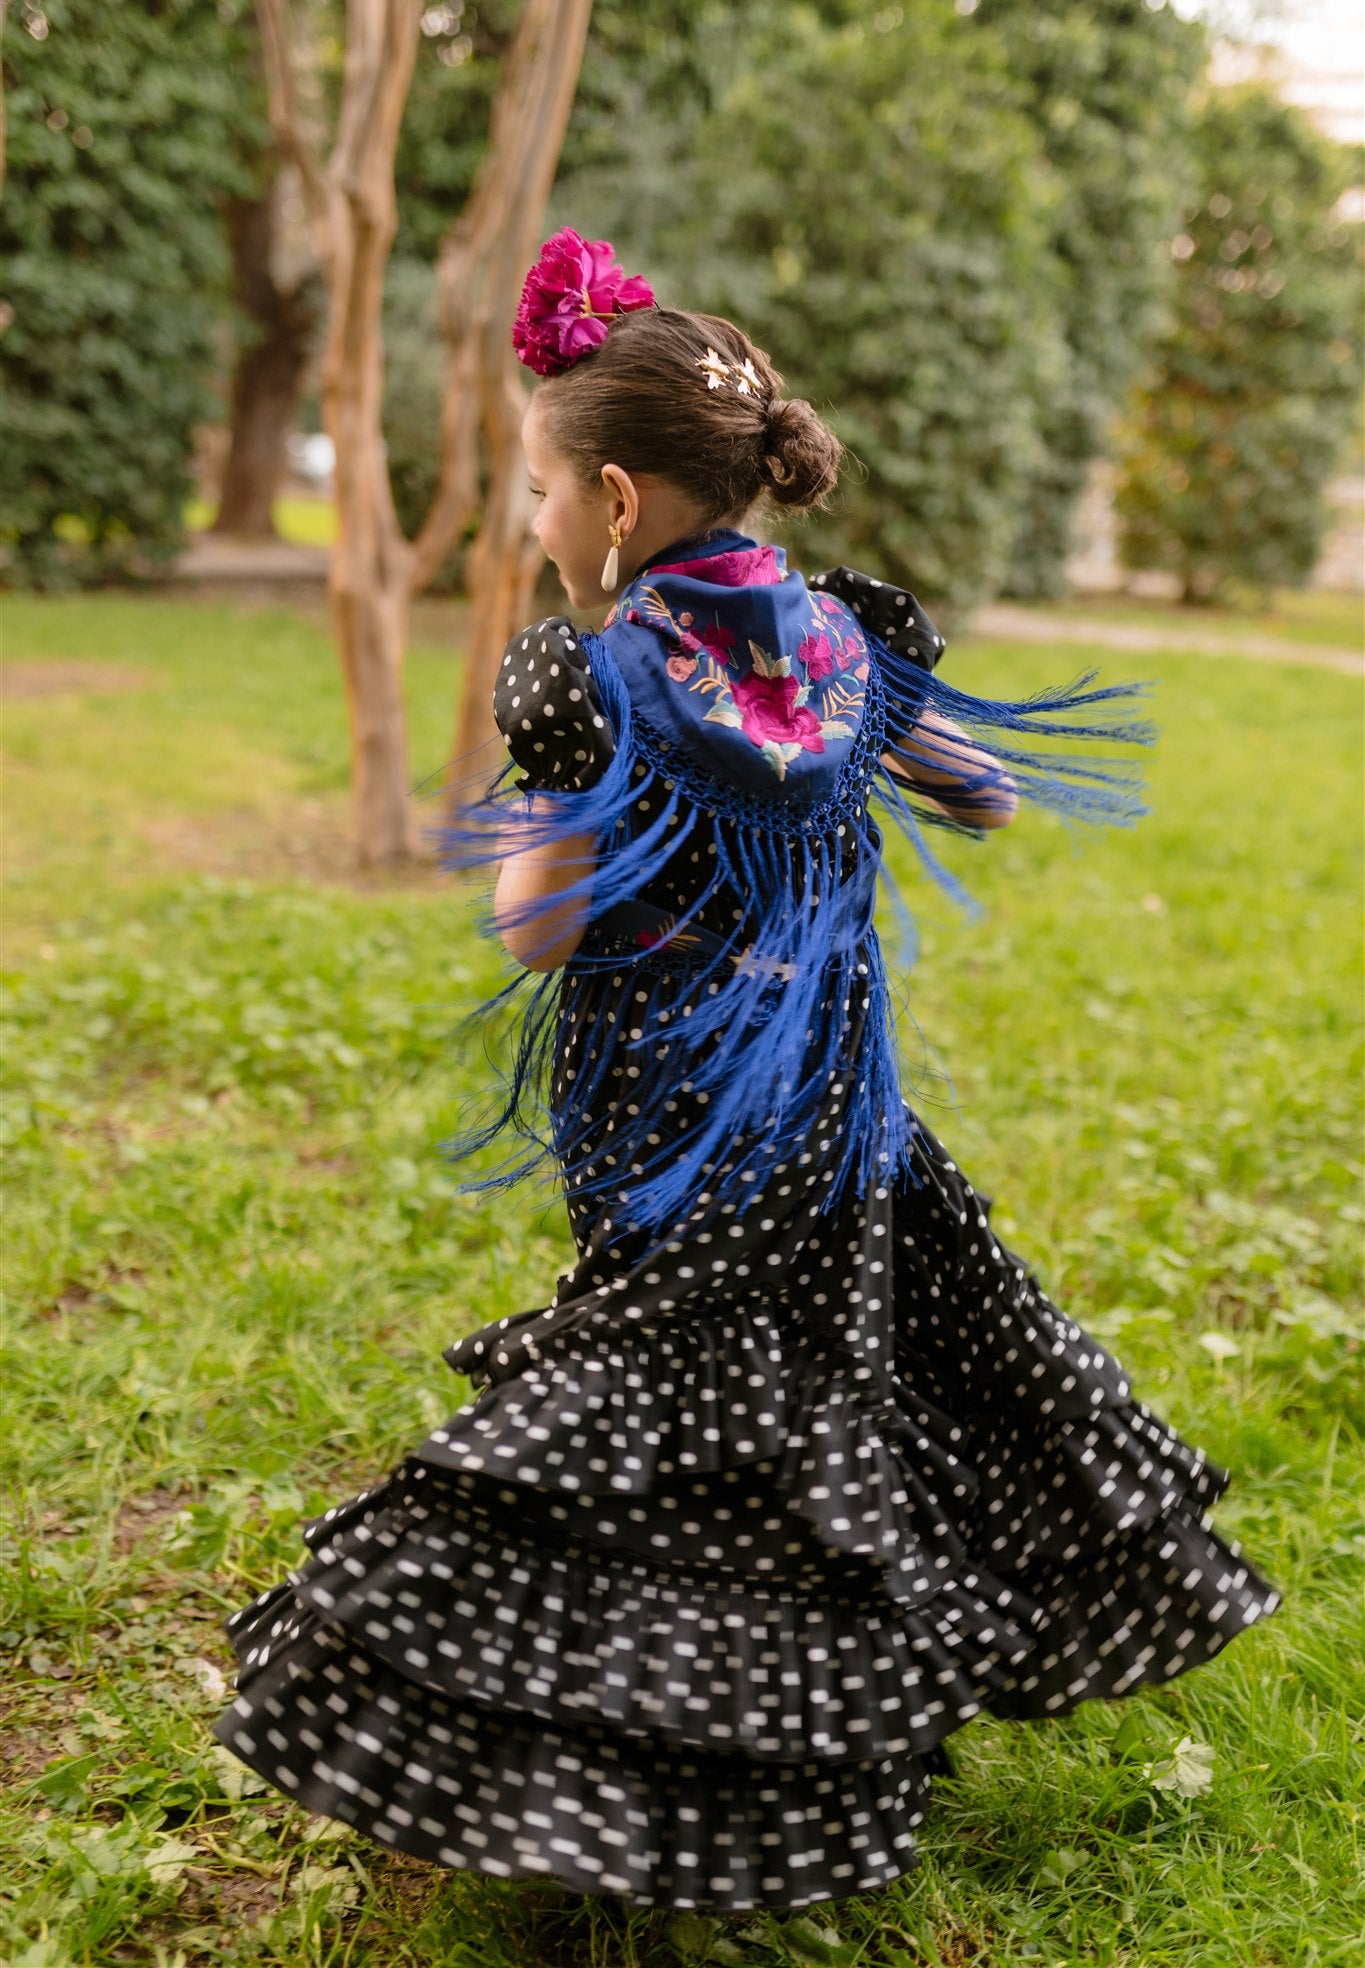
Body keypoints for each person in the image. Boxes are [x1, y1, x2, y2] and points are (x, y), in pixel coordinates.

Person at [214, 229, 1277, 1913]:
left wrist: (573, 809)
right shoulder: (835, 637)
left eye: (545, 492)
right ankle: (801, 1729)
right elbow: (983, 793)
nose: (534, 523)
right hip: (834, 1117)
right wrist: (861, 768)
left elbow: (530, 935)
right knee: (816, 1403)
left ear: (620, 502)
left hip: (670, 1130)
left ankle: (648, 1778)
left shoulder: (599, 676)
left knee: (659, 1419)